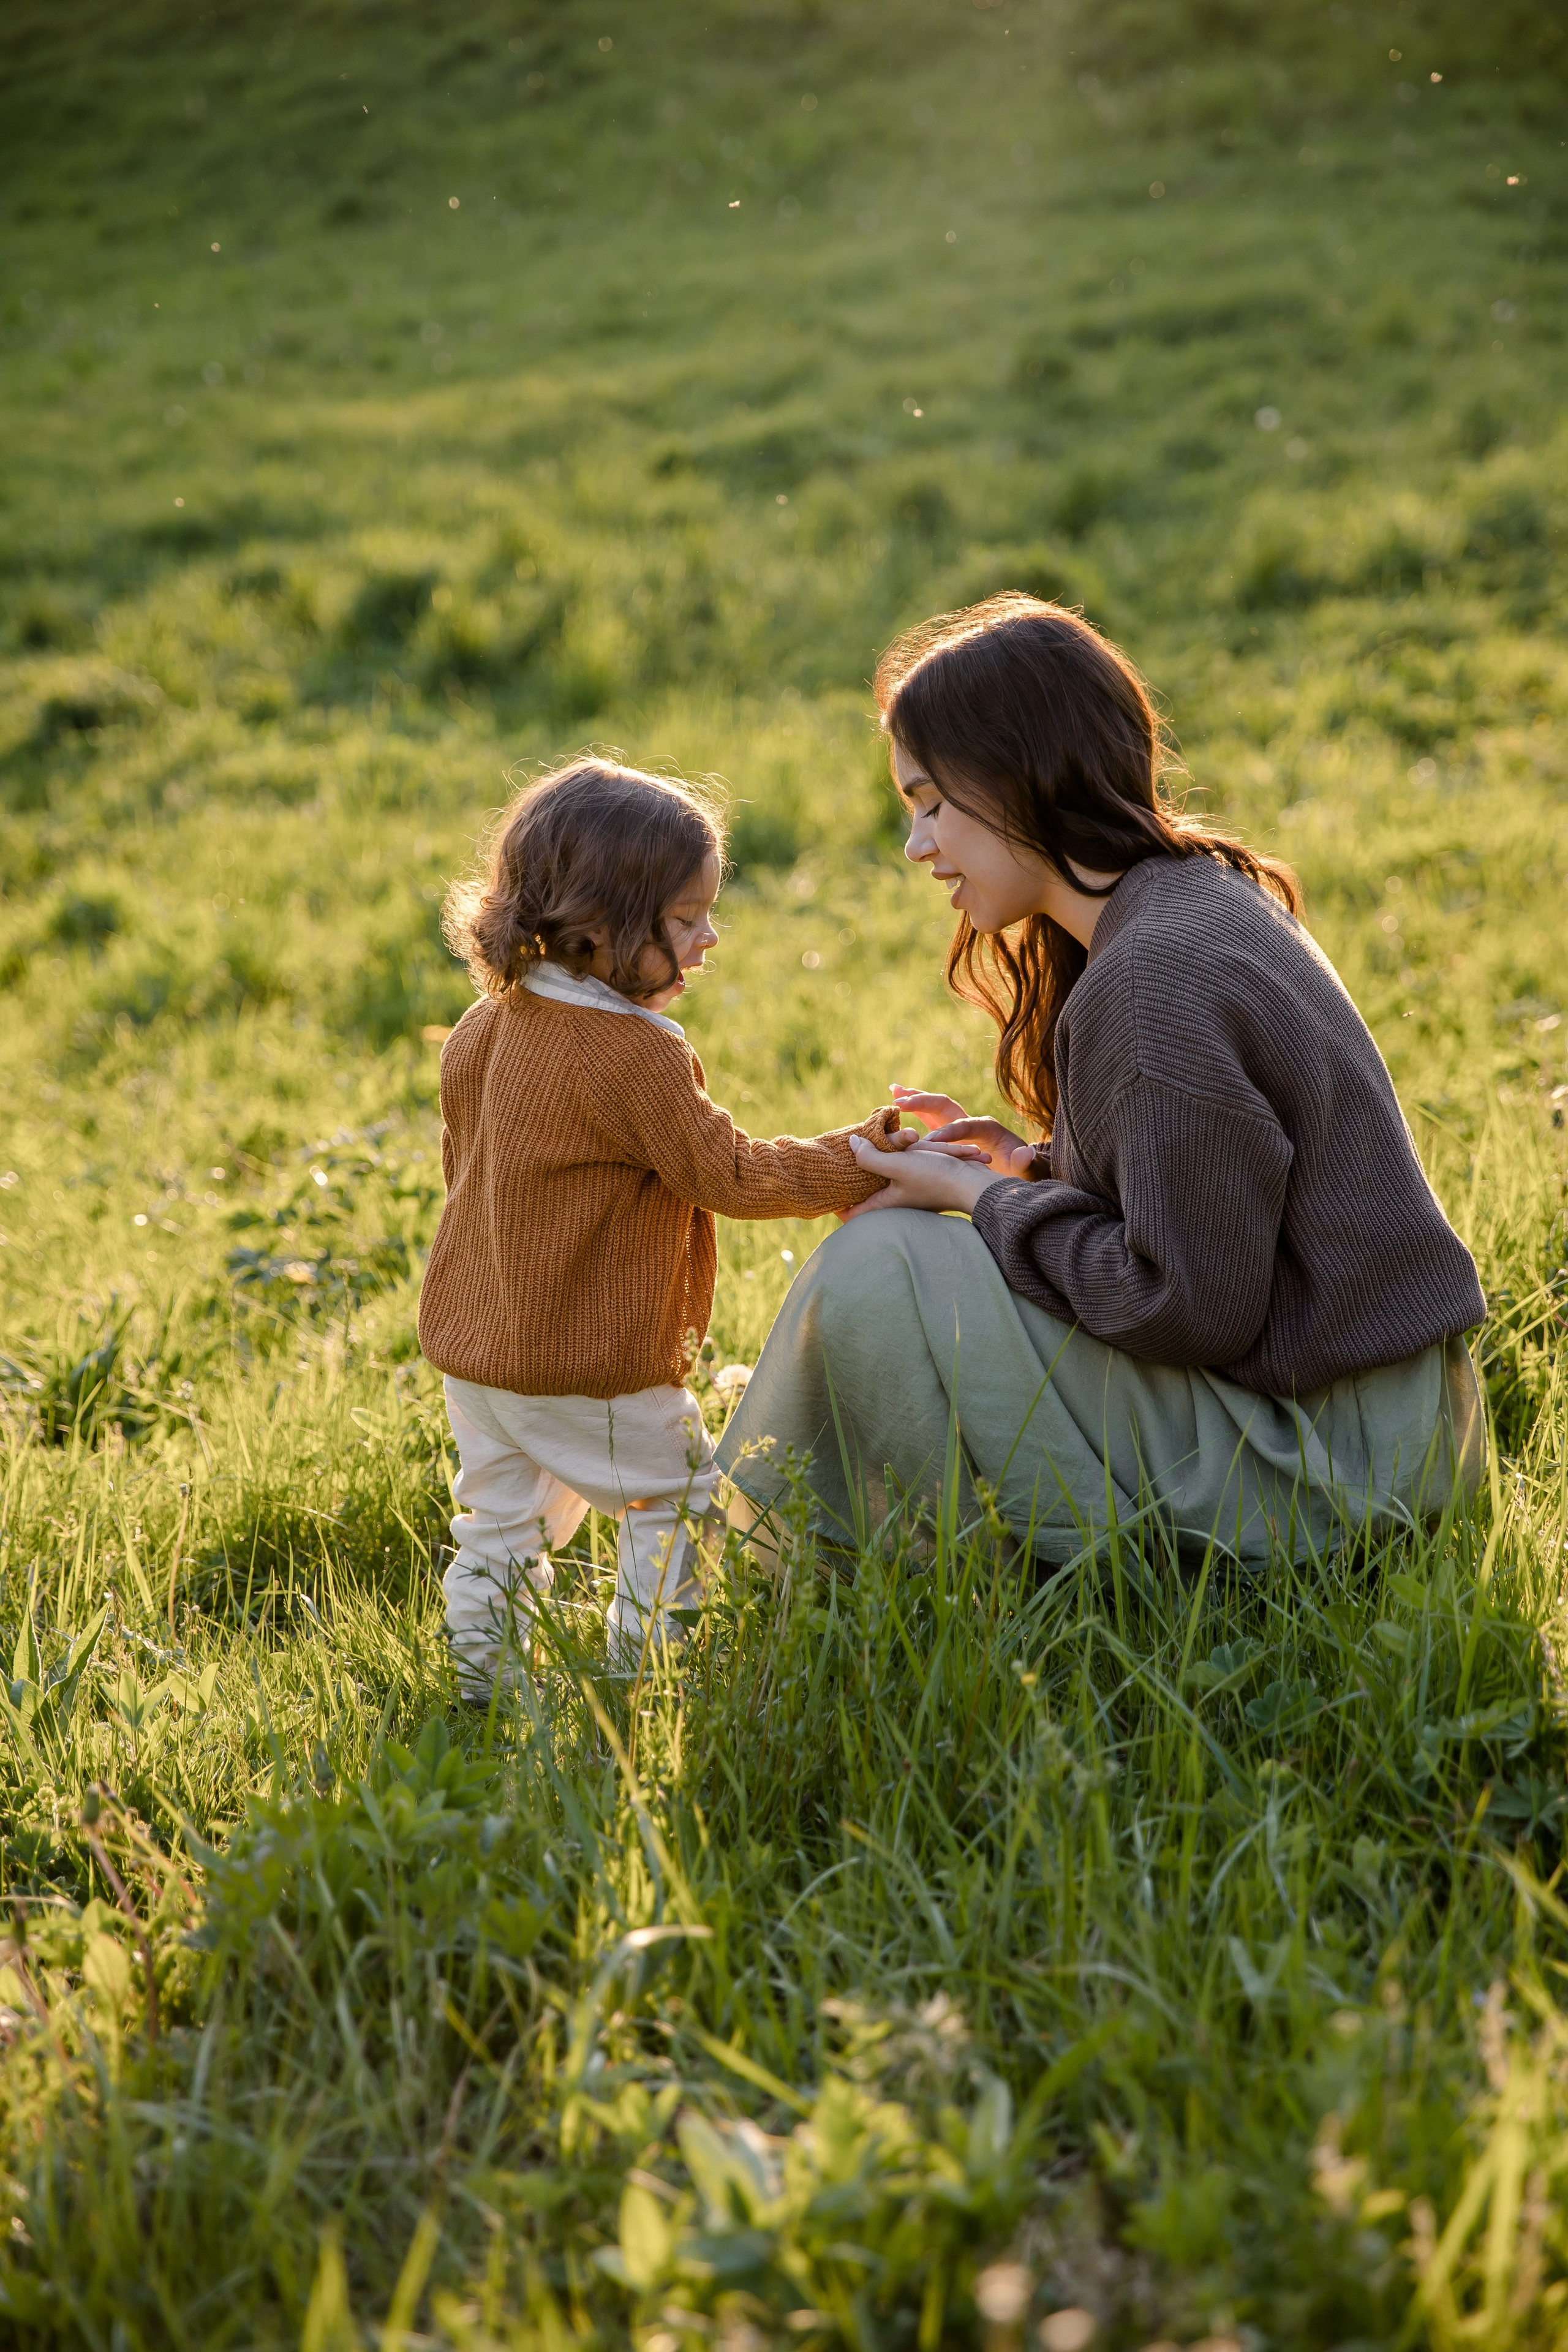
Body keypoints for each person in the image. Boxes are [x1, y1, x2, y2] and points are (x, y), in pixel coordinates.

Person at [717, 596, 1487, 1568]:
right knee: (903, 1254)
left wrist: (984, 1196)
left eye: (930, 803)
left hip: (1337, 1473)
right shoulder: (1187, 903)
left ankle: (807, 1573)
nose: (917, 846)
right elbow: (1218, 1217)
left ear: (1016, 776)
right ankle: (884, 1570)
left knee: (880, 1273)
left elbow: (1188, 1305)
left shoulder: (1156, 971)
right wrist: (1033, 1172)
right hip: (1381, 1432)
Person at [417, 758, 897, 1698]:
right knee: (673, 1503)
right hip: (589, 1362)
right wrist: (860, 1161)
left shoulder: (484, 1023)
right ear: (598, 928)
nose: (710, 938)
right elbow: (728, 1172)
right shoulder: (632, 1054)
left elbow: (463, 1171)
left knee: (499, 1523)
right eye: (684, 921)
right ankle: (648, 1675)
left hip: (476, 1352)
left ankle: (481, 1678)